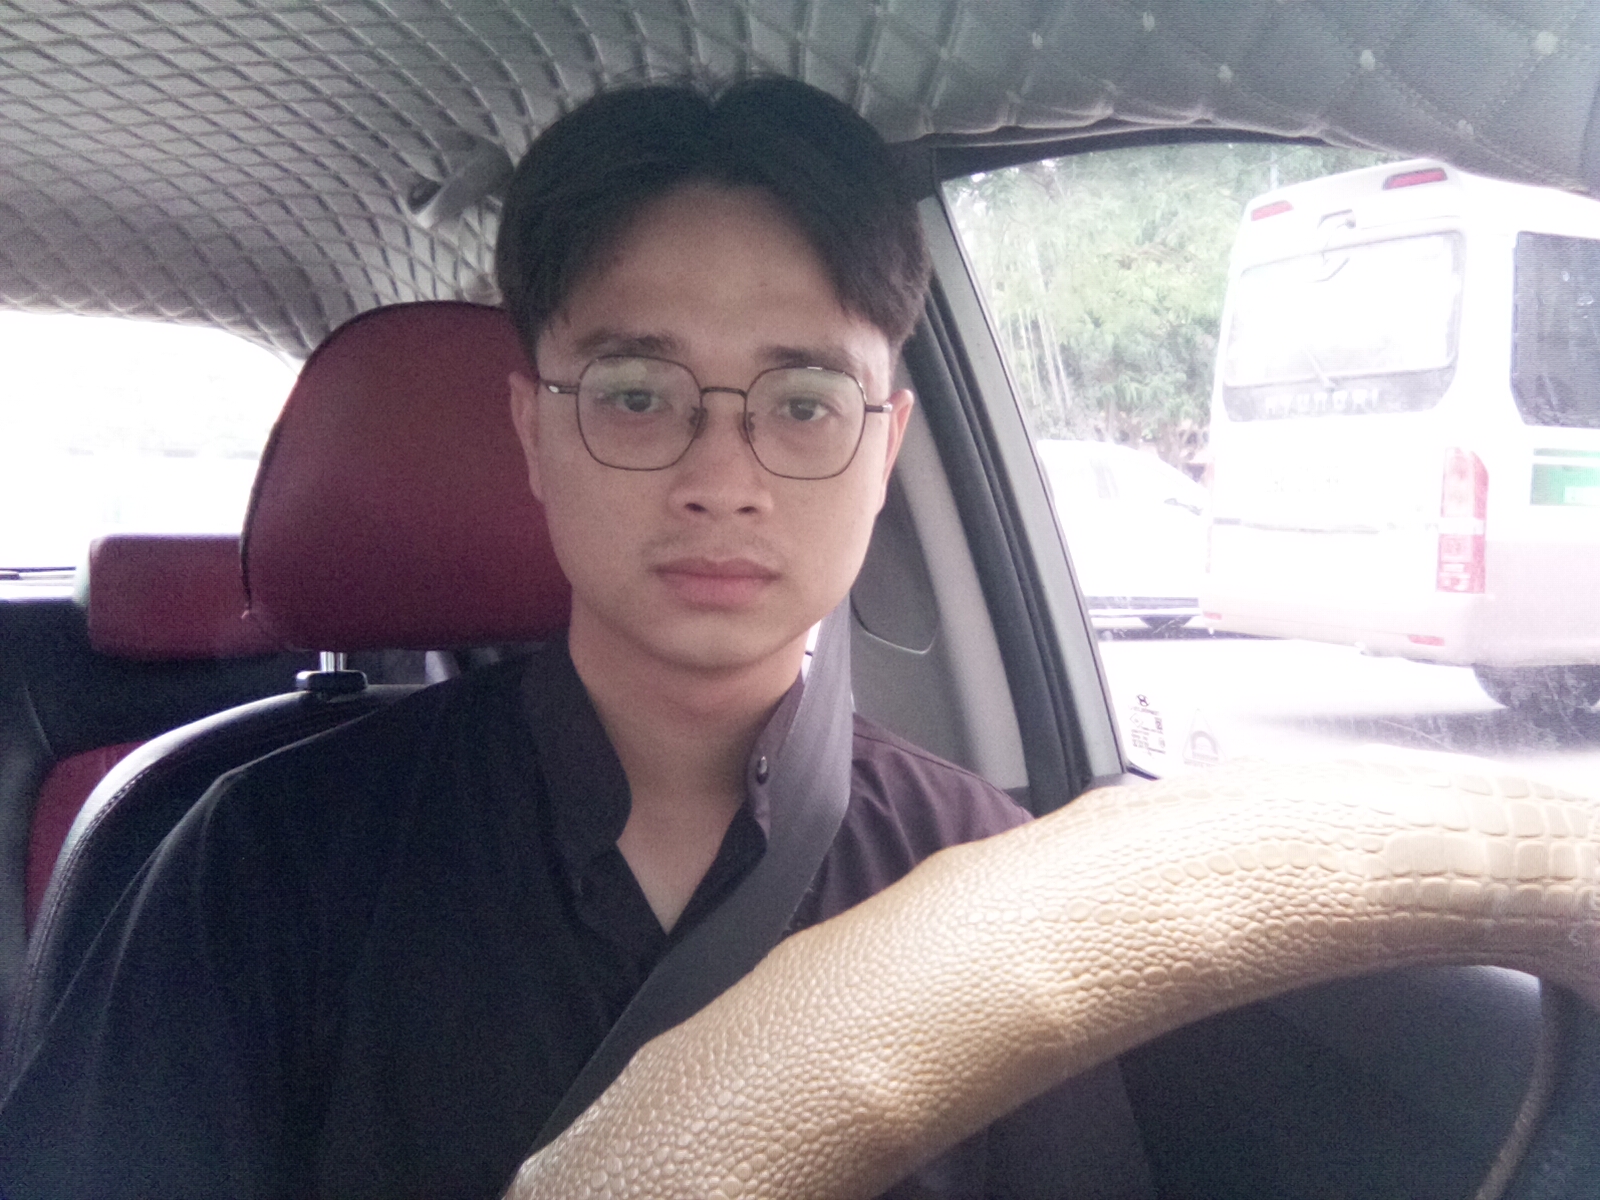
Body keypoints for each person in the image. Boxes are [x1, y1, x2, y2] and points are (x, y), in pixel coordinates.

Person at [0, 78, 1150, 1198]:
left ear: (883, 450)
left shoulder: (983, 887)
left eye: (803, 405)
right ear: (534, 436)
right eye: (637, 395)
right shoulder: (263, 870)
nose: (720, 480)